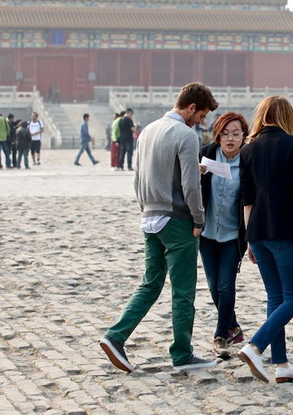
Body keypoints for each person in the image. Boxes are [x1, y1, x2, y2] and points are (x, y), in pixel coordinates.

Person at [100, 82, 219, 373]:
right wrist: (199, 219)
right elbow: (191, 186)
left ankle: (116, 336)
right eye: (201, 115)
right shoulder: (186, 134)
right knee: (183, 290)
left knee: (150, 283)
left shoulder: (148, 130)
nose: (202, 122)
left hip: (150, 217)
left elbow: (139, 174)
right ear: (191, 108)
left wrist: (145, 208)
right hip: (177, 220)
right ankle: (182, 353)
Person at [237, 96, 293, 384]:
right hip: (283, 228)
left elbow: (247, 199)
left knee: (276, 298)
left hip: (256, 231)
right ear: (287, 117)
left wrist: (249, 238)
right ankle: (255, 346)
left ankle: (281, 364)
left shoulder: (248, 149)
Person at [199, 112, 249, 358]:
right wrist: (196, 175)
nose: (230, 138)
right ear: (217, 135)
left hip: (233, 234)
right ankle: (234, 326)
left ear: (244, 136)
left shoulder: (249, 161)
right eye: (225, 133)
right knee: (212, 286)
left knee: (226, 284)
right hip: (206, 231)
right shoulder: (205, 154)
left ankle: (221, 335)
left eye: (236, 133)